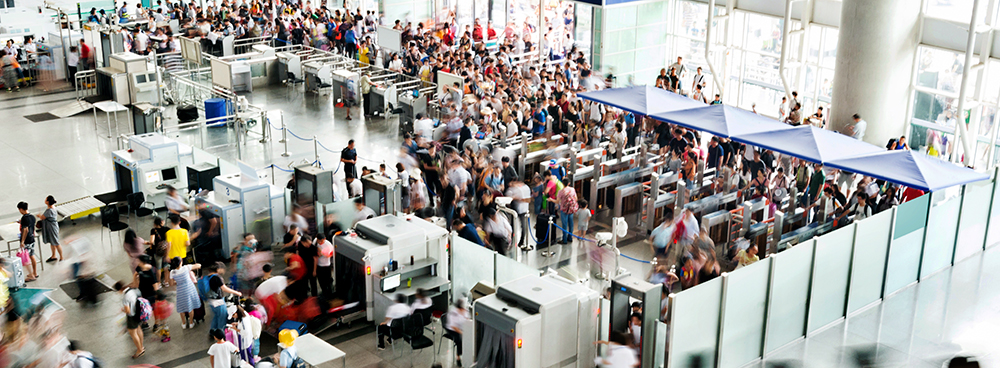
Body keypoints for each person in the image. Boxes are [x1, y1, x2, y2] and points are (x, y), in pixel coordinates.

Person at [204, 261, 243, 334]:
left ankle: (212, 331)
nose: (224, 270)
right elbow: (224, 288)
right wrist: (236, 292)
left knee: (216, 316)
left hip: (211, 300)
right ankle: (221, 334)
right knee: (222, 317)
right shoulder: (217, 277)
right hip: (218, 301)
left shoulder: (208, 277)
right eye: (222, 268)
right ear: (218, 269)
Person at [114, 280, 146, 359]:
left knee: (133, 333)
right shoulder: (134, 290)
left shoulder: (125, 297)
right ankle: (141, 346)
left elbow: (128, 311)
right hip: (139, 313)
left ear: (119, 290)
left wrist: (122, 310)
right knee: (139, 329)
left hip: (132, 316)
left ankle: (139, 350)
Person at [170, 257, 202, 329]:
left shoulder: (172, 272)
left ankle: (184, 323)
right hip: (189, 288)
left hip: (180, 290)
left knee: (182, 307)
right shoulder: (186, 268)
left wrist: (178, 281)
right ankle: (191, 323)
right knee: (190, 306)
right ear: (181, 262)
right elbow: (199, 265)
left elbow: (171, 283)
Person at [445, 298, 470, 366]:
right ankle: (458, 357)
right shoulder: (453, 313)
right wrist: (462, 332)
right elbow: (453, 326)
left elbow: (467, 319)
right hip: (452, 329)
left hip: (462, 327)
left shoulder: (465, 311)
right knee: (459, 339)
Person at [38, 195, 63, 263]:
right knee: (53, 242)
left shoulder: (49, 210)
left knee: (56, 242)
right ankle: (53, 255)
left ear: (48, 202)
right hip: (52, 226)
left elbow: (43, 217)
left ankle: (61, 257)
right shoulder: (52, 207)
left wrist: (39, 216)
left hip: (51, 227)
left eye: (46, 199)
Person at [17, 201, 38, 281]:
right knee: (32, 256)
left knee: (25, 258)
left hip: (27, 240)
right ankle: (34, 273)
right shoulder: (32, 217)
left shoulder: (24, 218)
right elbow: (32, 227)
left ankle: (31, 276)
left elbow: (25, 229)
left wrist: (22, 241)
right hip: (32, 239)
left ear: (21, 209)